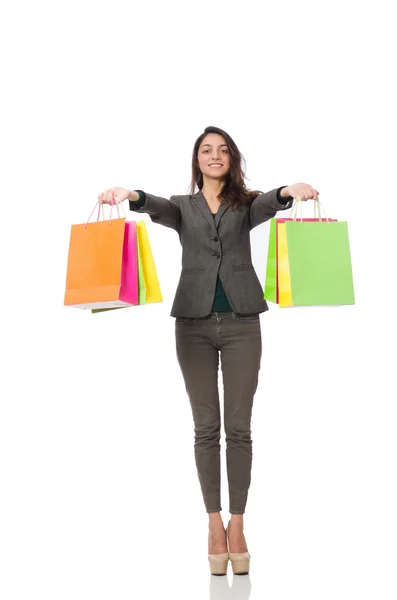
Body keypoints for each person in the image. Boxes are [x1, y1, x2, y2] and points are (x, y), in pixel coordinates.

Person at [98, 125, 319, 575]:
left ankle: (238, 525)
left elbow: (268, 203)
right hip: (193, 327)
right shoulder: (183, 208)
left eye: (222, 150)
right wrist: (130, 194)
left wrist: (288, 191)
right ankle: (213, 525)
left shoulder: (246, 204)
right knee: (205, 429)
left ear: (232, 158)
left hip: (242, 324)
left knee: (239, 429)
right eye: (206, 150)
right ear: (196, 160)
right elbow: (156, 206)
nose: (214, 156)